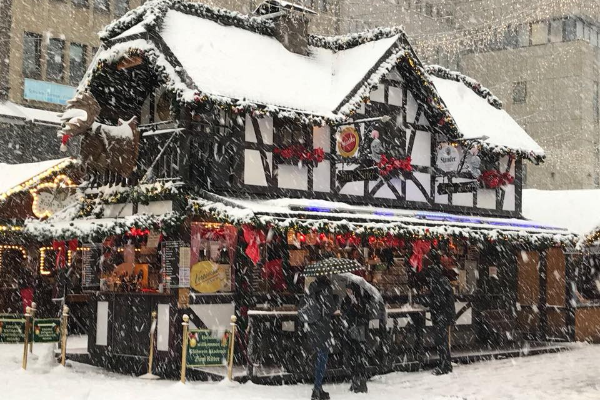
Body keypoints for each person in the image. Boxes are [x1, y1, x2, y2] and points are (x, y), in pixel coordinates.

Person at [299, 275, 337, 400]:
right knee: (323, 357)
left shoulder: (311, 287)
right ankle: (317, 388)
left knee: (318, 356)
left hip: (313, 326)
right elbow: (330, 309)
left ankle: (318, 387)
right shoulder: (327, 288)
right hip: (323, 326)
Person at [425, 249, 456, 375]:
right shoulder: (441, 279)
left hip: (442, 314)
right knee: (442, 341)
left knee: (441, 340)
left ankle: (444, 365)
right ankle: (445, 364)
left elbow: (439, 300)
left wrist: (428, 302)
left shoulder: (438, 281)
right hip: (444, 313)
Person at [341, 282, 370, 393]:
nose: (348, 292)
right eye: (347, 290)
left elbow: (364, 314)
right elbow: (344, 313)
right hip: (351, 330)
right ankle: (354, 382)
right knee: (352, 356)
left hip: (360, 330)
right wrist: (350, 306)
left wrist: (357, 306)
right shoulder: (345, 300)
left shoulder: (361, 300)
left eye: (349, 290)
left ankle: (361, 383)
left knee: (360, 357)